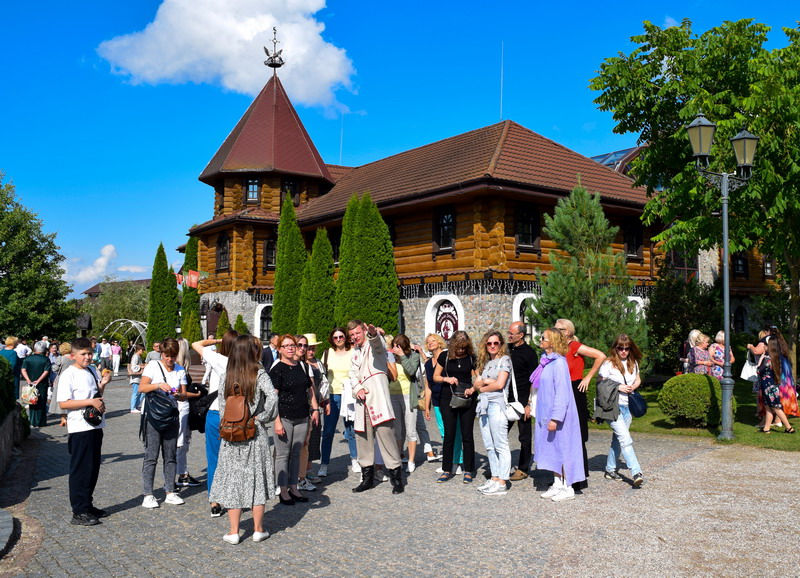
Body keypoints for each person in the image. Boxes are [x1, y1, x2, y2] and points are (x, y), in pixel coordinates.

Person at [208, 334, 278, 544]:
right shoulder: (258, 372)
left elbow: (222, 404)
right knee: (256, 479)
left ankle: (234, 532)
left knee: (233, 481)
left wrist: (229, 422)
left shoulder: (227, 375)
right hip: (254, 431)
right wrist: (263, 417)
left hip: (232, 434)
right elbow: (273, 396)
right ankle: (258, 529)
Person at [57, 337, 112, 525]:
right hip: (80, 427)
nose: (88, 357)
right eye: (83, 354)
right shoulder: (68, 374)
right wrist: (90, 402)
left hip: (95, 424)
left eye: (89, 353)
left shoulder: (90, 370)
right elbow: (63, 402)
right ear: (73, 355)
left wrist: (103, 384)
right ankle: (78, 511)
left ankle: (87, 505)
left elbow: (95, 395)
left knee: (93, 467)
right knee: (80, 469)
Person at [348, 320, 404, 494]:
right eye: (352, 335)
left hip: (378, 402)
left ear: (364, 331)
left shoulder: (376, 349)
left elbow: (378, 344)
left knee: (387, 440)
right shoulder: (355, 353)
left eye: (357, 333)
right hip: (362, 403)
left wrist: (373, 334)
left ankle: (397, 479)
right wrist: (358, 389)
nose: (355, 337)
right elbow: (352, 375)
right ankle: (367, 479)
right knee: (363, 441)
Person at [529, 327, 585, 501]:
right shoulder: (546, 362)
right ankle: (557, 482)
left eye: (543, 338)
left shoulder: (559, 362)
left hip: (557, 415)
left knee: (563, 449)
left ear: (552, 342)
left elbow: (562, 392)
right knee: (552, 449)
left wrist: (556, 417)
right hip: (546, 412)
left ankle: (568, 486)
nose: (540, 340)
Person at [553, 319, 605, 492]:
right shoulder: (557, 347)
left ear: (567, 331)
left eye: (559, 328)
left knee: (577, 433)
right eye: (555, 328)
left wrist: (588, 377)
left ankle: (579, 479)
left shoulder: (574, 345)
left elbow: (600, 356)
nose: (556, 330)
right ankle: (561, 477)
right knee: (561, 432)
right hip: (561, 388)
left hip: (575, 388)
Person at [269, 334, 320, 504]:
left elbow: (310, 389)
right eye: (287, 346)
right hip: (284, 417)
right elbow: (272, 398)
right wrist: (276, 421)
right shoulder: (277, 370)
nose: (291, 348)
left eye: (292, 345)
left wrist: (314, 409)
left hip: (302, 416)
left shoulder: (303, 366)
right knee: (283, 454)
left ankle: (294, 487)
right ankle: (283, 490)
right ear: (280, 349)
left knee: (297, 453)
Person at [193, 330, 238, 517]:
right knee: (235, 459)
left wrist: (219, 339)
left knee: (214, 459)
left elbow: (196, 344)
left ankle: (215, 500)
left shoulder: (218, 358)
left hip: (215, 414)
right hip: (235, 416)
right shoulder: (243, 365)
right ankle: (233, 496)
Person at [138, 337, 186, 509]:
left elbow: (183, 394)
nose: (170, 359)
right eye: (167, 355)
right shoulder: (153, 366)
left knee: (170, 455)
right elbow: (142, 387)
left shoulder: (180, 370)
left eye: (173, 356)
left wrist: (177, 394)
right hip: (153, 416)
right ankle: (148, 494)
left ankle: (170, 491)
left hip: (172, 415)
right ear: (162, 353)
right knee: (151, 456)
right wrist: (158, 385)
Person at [598, 334, 645, 487]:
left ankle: (610, 469)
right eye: (620, 348)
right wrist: (618, 387)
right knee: (625, 439)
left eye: (627, 348)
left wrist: (634, 386)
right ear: (615, 348)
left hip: (627, 407)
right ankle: (636, 472)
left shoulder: (634, 362)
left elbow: (637, 378)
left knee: (618, 440)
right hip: (613, 407)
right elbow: (600, 382)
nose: (624, 351)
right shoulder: (608, 363)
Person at [432, 330, 478, 484]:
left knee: (467, 435)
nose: (460, 351)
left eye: (463, 348)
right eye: (458, 348)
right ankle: (447, 469)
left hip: (467, 398)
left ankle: (469, 470)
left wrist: (473, 388)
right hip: (448, 398)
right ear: (452, 345)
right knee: (449, 435)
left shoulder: (472, 358)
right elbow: (435, 377)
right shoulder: (444, 356)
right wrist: (447, 378)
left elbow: (479, 378)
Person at [474, 330, 512, 495]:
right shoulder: (486, 363)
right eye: (489, 343)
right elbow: (476, 385)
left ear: (501, 344)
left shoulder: (505, 360)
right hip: (484, 405)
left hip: (497, 405)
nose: (492, 346)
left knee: (500, 443)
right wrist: (486, 382)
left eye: (496, 343)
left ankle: (503, 481)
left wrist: (483, 385)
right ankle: (495, 477)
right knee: (489, 445)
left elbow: (500, 385)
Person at [319, 327, 358, 476]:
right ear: (331, 339)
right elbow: (322, 374)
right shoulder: (327, 353)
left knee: (351, 430)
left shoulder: (353, 352)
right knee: (328, 431)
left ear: (345, 337)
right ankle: (324, 464)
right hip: (332, 395)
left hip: (349, 395)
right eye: (335, 337)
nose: (339, 340)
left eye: (341, 336)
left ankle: (355, 459)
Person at [423, 333, 461, 472]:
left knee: (454, 431)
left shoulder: (447, 358)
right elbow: (428, 386)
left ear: (439, 343)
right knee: (444, 432)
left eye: (433, 341)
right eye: (428, 342)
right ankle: (448, 461)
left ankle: (457, 461)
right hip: (437, 401)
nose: (430, 343)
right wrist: (427, 407)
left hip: (449, 398)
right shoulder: (427, 363)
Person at [506, 321, 537, 481]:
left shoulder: (529, 353)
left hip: (523, 400)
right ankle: (501, 467)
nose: (509, 336)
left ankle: (523, 468)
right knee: (501, 432)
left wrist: (529, 403)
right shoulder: (507, 350)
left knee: (524, 436)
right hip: (506, 398)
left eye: (512, 333)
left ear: (521, 335)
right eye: (508, 333)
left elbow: (535, 380)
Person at [390, 334, 423, 472]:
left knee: (411, 430)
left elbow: (411, 371)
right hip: (393, 396)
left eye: (398, 346)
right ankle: (398, 457)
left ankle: (411, 460)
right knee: (397, 431)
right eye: (394, 346)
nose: (395, 349)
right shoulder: (390, 357)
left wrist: (402, 355)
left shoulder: (413, 356)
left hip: (409, 396)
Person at [175, 338, 201, 489]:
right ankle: (181, 474)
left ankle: (182, 472)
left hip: (184, 408)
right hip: (181, 407)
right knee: (180, 442)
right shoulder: (178, 368)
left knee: (184, 442)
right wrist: (196, 395)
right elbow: (178, 392)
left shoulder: (180, 368)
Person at [757, 339, 796, 434]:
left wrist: (761, 358)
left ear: (768, 347)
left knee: (776, 407)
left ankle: (789, 428)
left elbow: (758, 370)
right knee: (768, 407)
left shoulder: (767, 359)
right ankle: (766, 428)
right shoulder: (776, 358)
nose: (763, 347)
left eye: (765, 345)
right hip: (771, 384)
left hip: (768, 386)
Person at [22, 341, 51, 427]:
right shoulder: (45, 359)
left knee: (31, 401)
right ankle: (40, 422)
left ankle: (32, 421)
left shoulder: (28, 359)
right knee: (41, 401)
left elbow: (23, 369)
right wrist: (38, 381)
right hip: (42, 384)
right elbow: (46, 371)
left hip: (30, 383)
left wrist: (28, 380)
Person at [49, 342, 74, 427]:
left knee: (61, 397)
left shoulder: (61, 358)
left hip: (62, 379)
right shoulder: (74, 357)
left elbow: (55, 369)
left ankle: (63, 418)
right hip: (73, 378)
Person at [129, 344, 146, 413]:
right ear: (139, 349)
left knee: (141, 393)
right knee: (136, 393)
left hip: (139, 378)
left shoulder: (138, 356)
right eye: (142, 350)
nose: (143, 351)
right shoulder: (135, 356)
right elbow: (134, 367)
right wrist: (142, 367)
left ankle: (136, 406)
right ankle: (133, 408)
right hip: (135, 378)